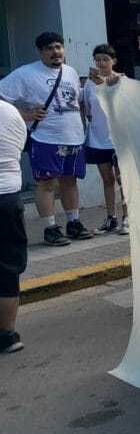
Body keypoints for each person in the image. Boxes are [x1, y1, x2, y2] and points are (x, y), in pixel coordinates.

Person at [0, 32, 92, 246]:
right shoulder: (25, 73)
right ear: (41, 52)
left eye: (59, 47)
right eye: (49, 48)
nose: (55, 52)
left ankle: (74, 223)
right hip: (45, 138)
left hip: (74, 138)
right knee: (47, 183)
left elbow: (77, 101)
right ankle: (50, 228)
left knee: (70, 181)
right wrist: (24, 115)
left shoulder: (69, 72)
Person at [82, 44, 126, 234]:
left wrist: (104, 84)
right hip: (98, 138)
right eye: (98, 59)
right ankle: (111, 219)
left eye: (105, 59)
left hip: (119, 138)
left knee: (122, 180)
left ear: (113, 61)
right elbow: (87, 109)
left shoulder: (122, 80)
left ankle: (128, 219)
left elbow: (123, 106)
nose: (101, 63)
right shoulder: (89, 83)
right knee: (107, 179)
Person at [0, 99, 28, 353]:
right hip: (8, 197)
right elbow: (19, 147)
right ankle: (7, 334)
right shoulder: (10, 112)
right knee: (8, 267)